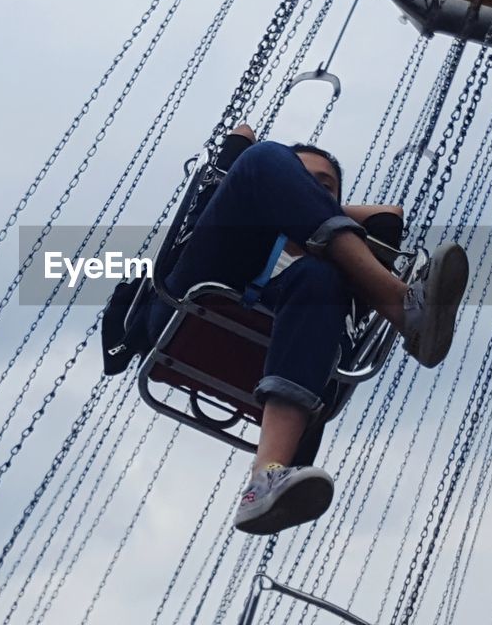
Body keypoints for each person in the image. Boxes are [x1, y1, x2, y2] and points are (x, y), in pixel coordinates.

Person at [138, 124, 469, 536]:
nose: (304, 189)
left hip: (296, 319)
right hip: (193, 298)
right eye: (298, 180)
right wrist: (279, 195)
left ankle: (265, 480)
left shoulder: (339, 274)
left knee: (319, 277)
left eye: (323, 188)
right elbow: (242, 140)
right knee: (260, 159)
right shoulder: (255, 194)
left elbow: (389, 217)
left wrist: (314, 208)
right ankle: (401, 309)